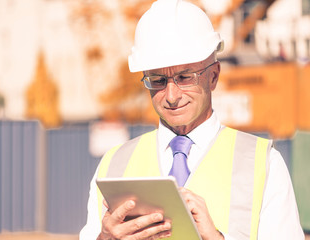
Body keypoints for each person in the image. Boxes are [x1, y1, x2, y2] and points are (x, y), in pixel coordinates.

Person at [80, 0, 305, 239]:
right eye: (157, 80)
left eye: (185, 77)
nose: (172, 96)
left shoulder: (264, 164)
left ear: (213, 76)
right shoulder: (113, 165)